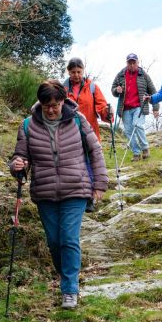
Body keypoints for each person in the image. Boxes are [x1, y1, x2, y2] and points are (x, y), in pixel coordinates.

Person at [9, 80, 108, 309]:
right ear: (40, 104)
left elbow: (95, 150)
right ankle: (66, 277)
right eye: (47, 106)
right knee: (54, 242)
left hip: (76, 188)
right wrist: (17, 165)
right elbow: (20, 157)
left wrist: (100, 184)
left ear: (63, 101)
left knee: (69, 239)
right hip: (44, 192)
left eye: (55, 105)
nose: (52, 110)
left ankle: (70, 290)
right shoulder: (27, 126)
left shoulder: (77, 120)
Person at [64, 57, 111, 212]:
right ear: (68, 72)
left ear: (83, 70)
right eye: (73, 72)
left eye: (79, 71)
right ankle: (75, 195)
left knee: (90, 163)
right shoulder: (63, 89)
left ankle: (89, 199)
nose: (76, 75)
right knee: (76, 165)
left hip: (89, 131)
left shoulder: (92, 87)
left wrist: (107, 113)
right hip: (68, 133)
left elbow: (101, 106)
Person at [111, 53, 160, 162]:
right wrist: (117, 90)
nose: (132, 65)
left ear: (138, 63)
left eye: (134, 62)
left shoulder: (144, 75)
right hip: (125, 109)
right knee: (128, 131)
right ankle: (136, 153)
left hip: (139, 106)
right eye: (130, 63)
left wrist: (155, 108)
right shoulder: (121, 75)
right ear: (127, 63)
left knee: (137, 125)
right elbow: (113, 89)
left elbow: (153, 92)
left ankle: (145, 148)